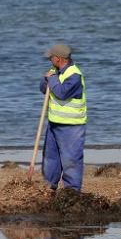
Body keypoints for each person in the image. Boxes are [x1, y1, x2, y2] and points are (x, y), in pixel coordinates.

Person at [40, 43, 87, 191]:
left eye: (51, 58)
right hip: (54, 123)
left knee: (71, 160)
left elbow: (61, 92)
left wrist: (52, 78)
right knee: (50, 159)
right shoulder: (55, 71)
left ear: (59, 59)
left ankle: (71, 191)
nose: (49, 61)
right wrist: (45, 79)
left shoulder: (74, 75)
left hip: (71, 126)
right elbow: (43, 89)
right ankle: (49, 187)